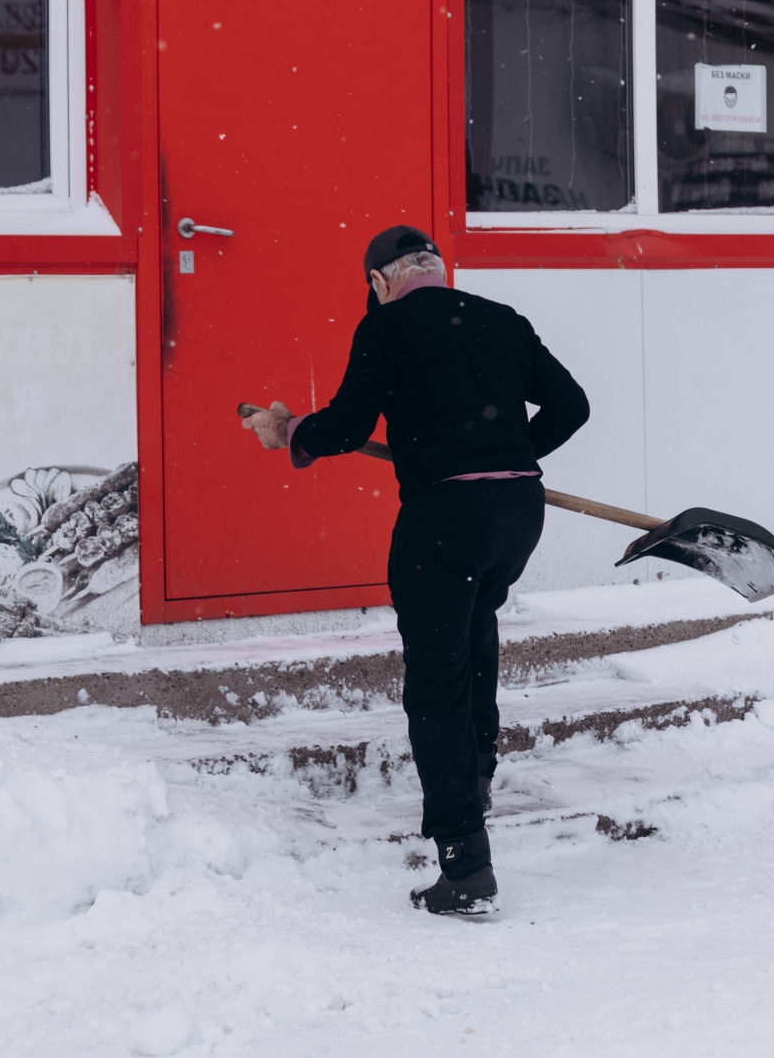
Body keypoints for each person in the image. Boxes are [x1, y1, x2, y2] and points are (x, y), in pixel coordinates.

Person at [241, 225, 589, 915]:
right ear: (436, 268)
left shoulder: (387, 329)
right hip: (517, 510)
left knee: (435, 679)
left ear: (379, 281)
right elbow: (572, 405)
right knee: (473, 626)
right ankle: (477, 772)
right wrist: (511, 449)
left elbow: (345, 425)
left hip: (444, 518)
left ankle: (464, 860)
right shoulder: (499, 318)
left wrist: (293, 433)